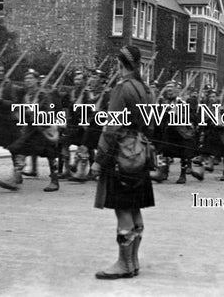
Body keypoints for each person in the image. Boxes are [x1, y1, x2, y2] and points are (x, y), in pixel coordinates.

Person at [91, 46, 154, 279]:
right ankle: (133, 261)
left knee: (123, 207)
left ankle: (123, 263)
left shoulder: (122, 89)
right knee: (135, 206)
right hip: (140, 153)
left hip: (121, 155)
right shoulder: (146, 90)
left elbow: (111, 127)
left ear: (120, 65)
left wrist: (99, 159)